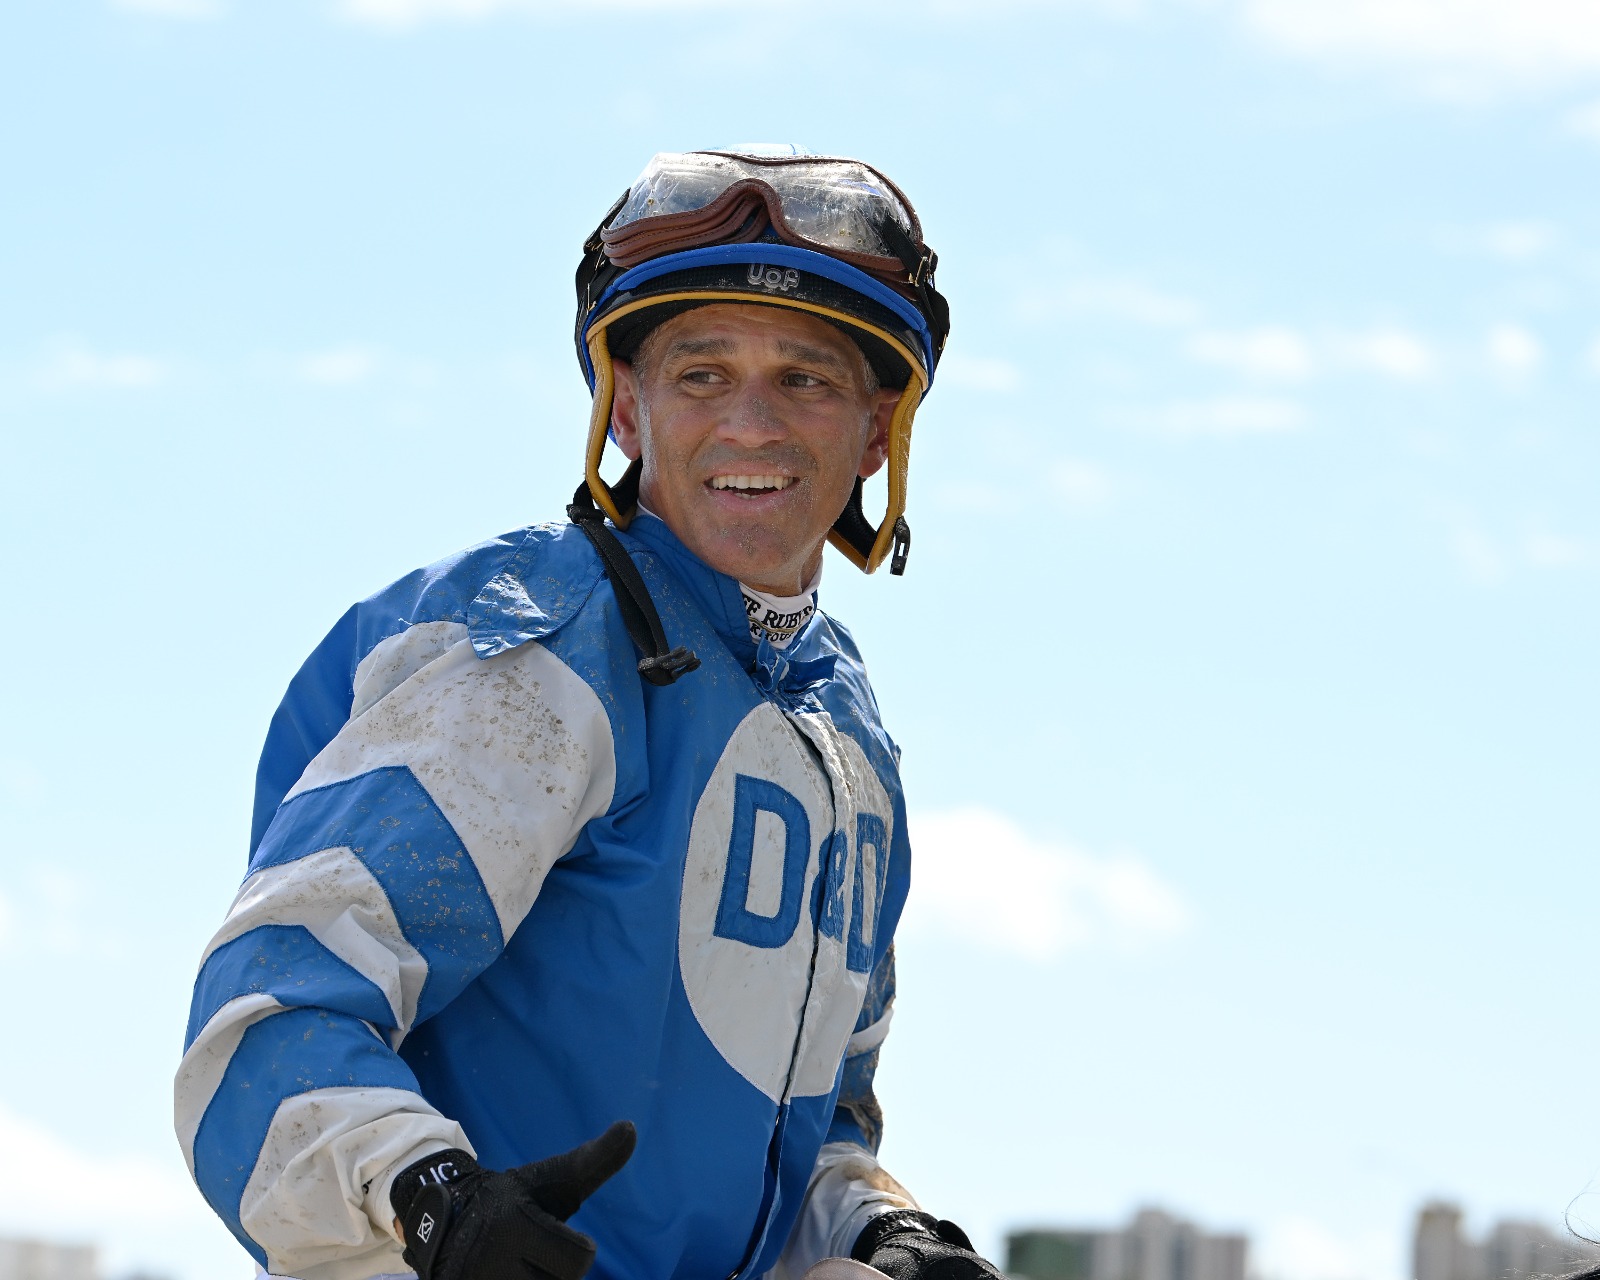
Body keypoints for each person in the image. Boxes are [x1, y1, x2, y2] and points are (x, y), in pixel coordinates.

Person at [175, 146, 999, 1280]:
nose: (751, 423)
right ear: (626, 413)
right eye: (701, 375)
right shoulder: (531, 645)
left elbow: (812, 1128)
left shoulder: (844, 726)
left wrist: (883, 1231)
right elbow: (268, 1016)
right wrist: (436, 1199)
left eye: (805, 379)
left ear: (874, 430)